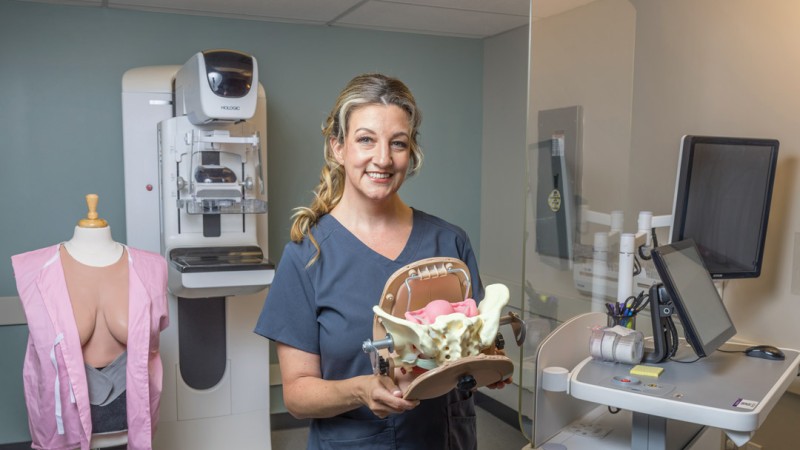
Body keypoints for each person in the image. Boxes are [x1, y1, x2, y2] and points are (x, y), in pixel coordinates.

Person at [254, 73, 500, 449]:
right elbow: (297, 395)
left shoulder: (449, 242)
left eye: (397, 143)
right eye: (365, 139)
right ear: (338, 147)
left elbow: (471, 350)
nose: (382, 159)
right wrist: (361, 391)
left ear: (411, 151)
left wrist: (489, 365)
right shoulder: (308, 255)